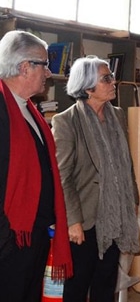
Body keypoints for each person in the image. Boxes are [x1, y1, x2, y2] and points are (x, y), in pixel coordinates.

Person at [51, 55, 140, 302]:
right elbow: (62, 174)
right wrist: (73, 221)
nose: (113, 82)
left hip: (114, 215)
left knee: (106, 283)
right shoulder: (66, 121)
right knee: (77, 287)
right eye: (106, 78)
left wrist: (132, 197)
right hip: (85, 217)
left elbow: (125, 162)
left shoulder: (118, 115)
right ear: (88, 87)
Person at [0, 30, 73, 302]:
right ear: (24, 67)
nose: (50, 73)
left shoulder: (29, 109)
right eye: (44, 64)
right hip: (13, 240)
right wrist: (5, 241)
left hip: (36, 233)